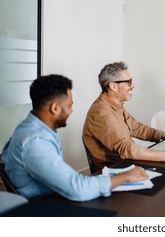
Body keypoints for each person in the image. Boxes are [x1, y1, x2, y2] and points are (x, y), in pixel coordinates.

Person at [2, 75, 148, 201]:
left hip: (55, 195)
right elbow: (77, 188)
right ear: (55, 108)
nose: (71, 111)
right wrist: (124, 177)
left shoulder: (31, 128)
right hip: (46, 208)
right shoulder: (35, 141)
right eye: (69, 105)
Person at [82, 61, 165, 172]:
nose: (133, 85)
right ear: (113, 86)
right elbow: (127, 149)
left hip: (128, 164)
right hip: (114, 172)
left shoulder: (117, 107)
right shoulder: (101, 113)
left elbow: (141, 129)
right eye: (129, 82)